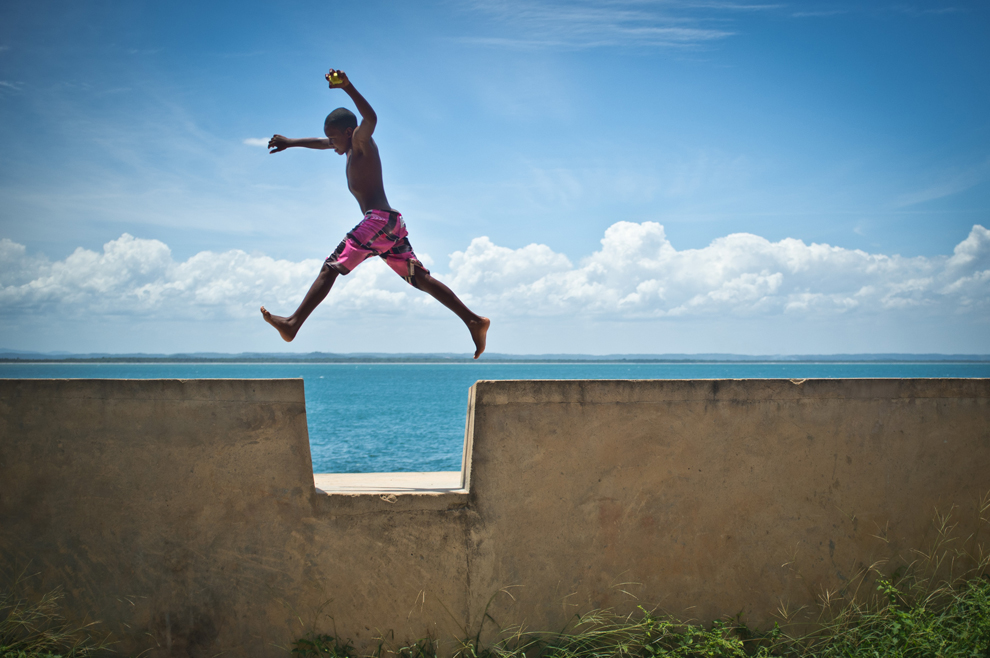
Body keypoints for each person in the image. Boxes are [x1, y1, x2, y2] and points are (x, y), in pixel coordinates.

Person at [261, 69, 490, 358]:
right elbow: (319, 143)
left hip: (379, 221)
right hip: (390, 225)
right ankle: (473, 320)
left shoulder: (360, 142)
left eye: (333, 137)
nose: (329, 142)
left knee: (331, 266)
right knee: (418, 278)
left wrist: (348, 87)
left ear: (348, 132)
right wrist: (290, 142)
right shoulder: (346, 149)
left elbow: (371, 119)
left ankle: (293, 324)